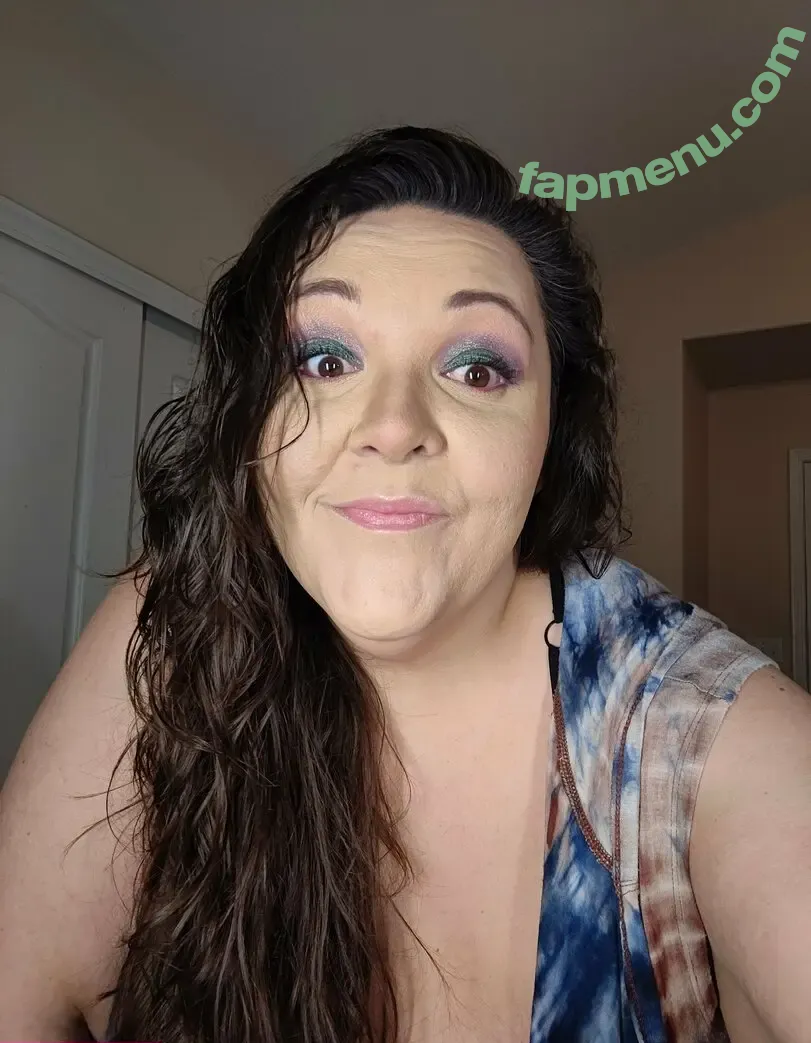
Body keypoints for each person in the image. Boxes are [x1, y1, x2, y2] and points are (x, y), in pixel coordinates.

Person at [0, 126, 808, 1043]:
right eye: (324, 360)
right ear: (251, 413)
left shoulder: (693, 732)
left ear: (550, 434)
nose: (392, 425)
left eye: (476, 368)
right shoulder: (176, 617)